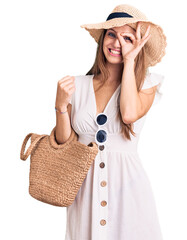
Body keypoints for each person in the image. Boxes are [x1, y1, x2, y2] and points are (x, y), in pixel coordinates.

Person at [55, 4, 167, 240]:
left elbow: (128, 114)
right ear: (102, 39)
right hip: (85, 190)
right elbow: (66, 143)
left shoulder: (146, 84)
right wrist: (61, 106)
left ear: (138, 45)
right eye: (112, 35)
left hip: (127, 189)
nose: (117, 43)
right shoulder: (79, 84)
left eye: (127, 38)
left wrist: (130, 63)